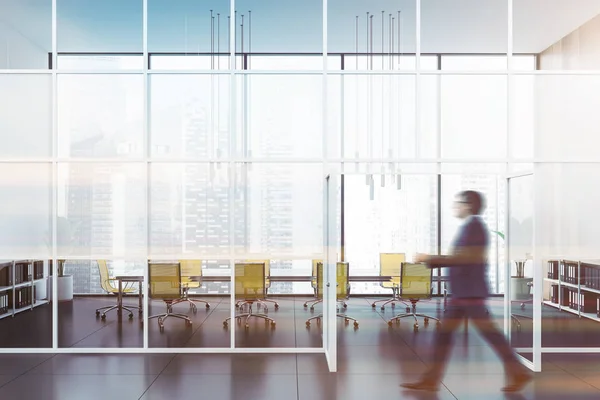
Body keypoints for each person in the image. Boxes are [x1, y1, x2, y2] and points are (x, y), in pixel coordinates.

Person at [401, 190, 532, 393]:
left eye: (458, 203)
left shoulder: (474, 228)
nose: (455, 207)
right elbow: (460, 257)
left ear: (469, 205)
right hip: (463, 293)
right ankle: (431, 380)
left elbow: (461, 259)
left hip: (469, 294)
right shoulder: (471, 227)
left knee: (489, 336)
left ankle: (519, 372)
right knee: (447, 337)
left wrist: (429, 258)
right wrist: (431, 259)